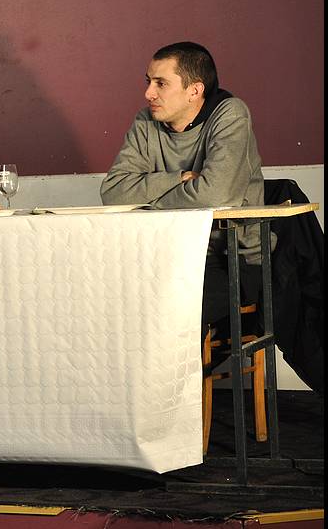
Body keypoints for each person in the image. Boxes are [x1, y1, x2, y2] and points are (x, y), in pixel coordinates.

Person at [100, 41, 271, 340]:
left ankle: (181, 372)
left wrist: (148, 201)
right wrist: (179, 179)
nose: (148, 93)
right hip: (168, 255)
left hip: (231, 261)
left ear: (194, 90)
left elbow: (214, 195)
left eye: (161, 83)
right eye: (149, 82)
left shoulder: (230, 114)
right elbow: (113, 192)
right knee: (105, 299)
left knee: (160, 311)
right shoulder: (146, 122)